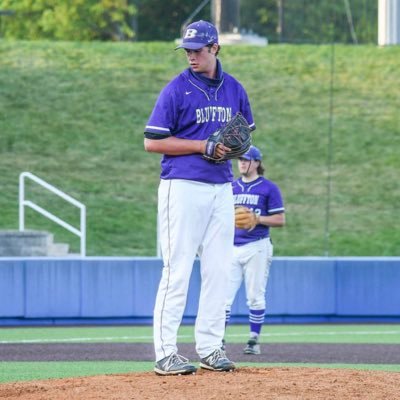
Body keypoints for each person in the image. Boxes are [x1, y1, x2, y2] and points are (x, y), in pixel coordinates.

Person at [143, 20, 256, 375]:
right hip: (183, 186)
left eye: (198, 50)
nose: (191, 56)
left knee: (219, 269)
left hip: (221, 187)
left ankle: (209, 347)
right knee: (177, 269)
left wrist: (234, 150)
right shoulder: (176, 90)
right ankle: (166, 353)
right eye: (187, 50)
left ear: (215, 49)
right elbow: (152, 141)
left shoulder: (234, 89)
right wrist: (201, 145)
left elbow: (244, 137)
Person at [224, 145, 285, 355]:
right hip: (231, 247)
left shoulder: (268, 188)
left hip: (257, 245)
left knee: (255, 295)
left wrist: (257, 218)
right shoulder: (231, 187)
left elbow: (280, 219)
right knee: (223, 296)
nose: (241, 162)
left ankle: (253, 340)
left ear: (257, 163)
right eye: (239, 159)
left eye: (246, 159)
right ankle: (217, 341)